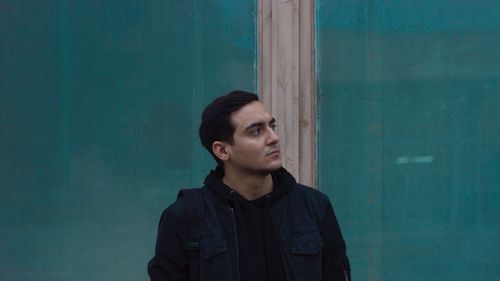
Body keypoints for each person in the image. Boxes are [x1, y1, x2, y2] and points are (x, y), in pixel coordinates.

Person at [148, 90, 350, 281]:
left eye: (272, 126)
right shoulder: (185, 216)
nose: (273, 138)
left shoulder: (314, 206)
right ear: (222, 151)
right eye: (256, 131)